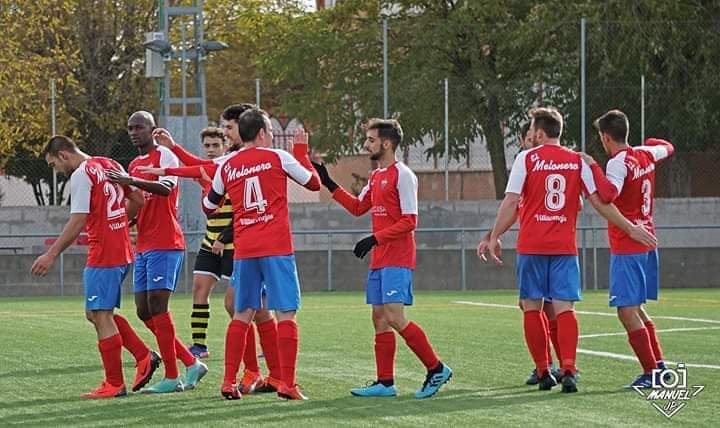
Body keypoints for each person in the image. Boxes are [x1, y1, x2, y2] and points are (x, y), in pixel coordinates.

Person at [480, 107, 657, 393]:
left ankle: (543, 370)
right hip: (564, 247)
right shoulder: (577, 161)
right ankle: (570, 368)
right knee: (564, 308)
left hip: (532, 245)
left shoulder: (527, 159)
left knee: (531, 306)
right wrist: (629, 227)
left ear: (539, 132)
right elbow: (600, 202)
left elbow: (512, 202)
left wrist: (494, 236)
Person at [143, 104, 284, 394]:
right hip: (226, 241)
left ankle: (266, 373)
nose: (225, 132)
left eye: (228, 127)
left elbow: (208, 174)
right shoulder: (230, 162)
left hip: (247, 243)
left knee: (248, 308)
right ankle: (255, 372)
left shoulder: (241, 160)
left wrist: (167, 167)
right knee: (235, 304)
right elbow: (201, 168)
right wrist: (172, 158)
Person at [312, 118, 453, 399]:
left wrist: (375, 238)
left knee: (394, 316)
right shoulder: (376, 176)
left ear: (386, 143)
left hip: (397, 256)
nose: (366, 144)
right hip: (381, 257)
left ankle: (436, 368)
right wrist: (328, 182)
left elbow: (410, 221)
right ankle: (385, 383)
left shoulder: (403, 175)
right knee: (379, 317)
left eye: (371, 140)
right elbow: (357, 207)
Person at [203, 107, 320, 400]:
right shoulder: (278, 156)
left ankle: (229, 382)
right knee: (286, 314)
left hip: (244, 248)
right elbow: (313, 183)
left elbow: (208, 205)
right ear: (262, 133)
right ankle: (288, 384)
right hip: (276, 247)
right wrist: (302, 152)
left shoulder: (228, 166)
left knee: (242, 314)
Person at [31, 135, 159, 398]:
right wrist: (118, 224)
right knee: (96, 313)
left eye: (54, 164)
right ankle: (143, 355)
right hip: (121, 250)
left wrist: (51, 254)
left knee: (100, 315)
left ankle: (114, 383)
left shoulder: (80, 174)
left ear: (64, 155)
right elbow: (138, 201)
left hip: (104, 253)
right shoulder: (108, 163)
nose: (57, 170)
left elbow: (78, 220)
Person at [107, 111, 207, 393]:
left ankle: (172, 376)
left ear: (153, 129)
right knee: (143, 311)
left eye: (139, 127)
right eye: (130, 128)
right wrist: (120, 222)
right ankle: (191, 362)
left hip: (166, 241)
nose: (133, 132)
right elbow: (137, 204)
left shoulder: (165, 157)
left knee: (158, 307)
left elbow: (165, 188)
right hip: (144, 245)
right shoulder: (135, 164)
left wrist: (131, 182)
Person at [582, 109, 674, 388]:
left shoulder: (617, 163)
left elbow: (609, 194)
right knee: (636, 309)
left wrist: (594, 167)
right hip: (646, 240)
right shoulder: (644, 153)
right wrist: (650, 141)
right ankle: (659, 366)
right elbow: (668, 148)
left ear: (605, 137)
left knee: (626, 311)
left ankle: (651, 373)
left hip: (629, 244)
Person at [477, 123, 563, 385]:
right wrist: (492, 234)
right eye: (527, 139)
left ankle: (555, 366)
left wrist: (494, 236)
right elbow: (514, 208)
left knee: (542, 305)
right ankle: (551, 365)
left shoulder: (539, 166)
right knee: (538, 305)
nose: (532, 142)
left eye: (534, 137)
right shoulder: (529, 168)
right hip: (543, 245)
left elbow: (515, 205)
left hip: (545, 247)